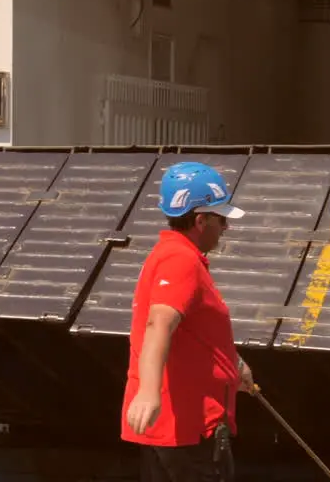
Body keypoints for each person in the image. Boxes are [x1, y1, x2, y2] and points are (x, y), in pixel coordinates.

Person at [122, 161, 256, 482]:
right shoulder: (180, 262)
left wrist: (234, 365)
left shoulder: (171, 256)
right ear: (200, 220)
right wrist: (150, 392)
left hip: (175, 426)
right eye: (221, 219)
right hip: (187, 427)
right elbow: (159, 324)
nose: (226, 227)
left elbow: (194, 331)